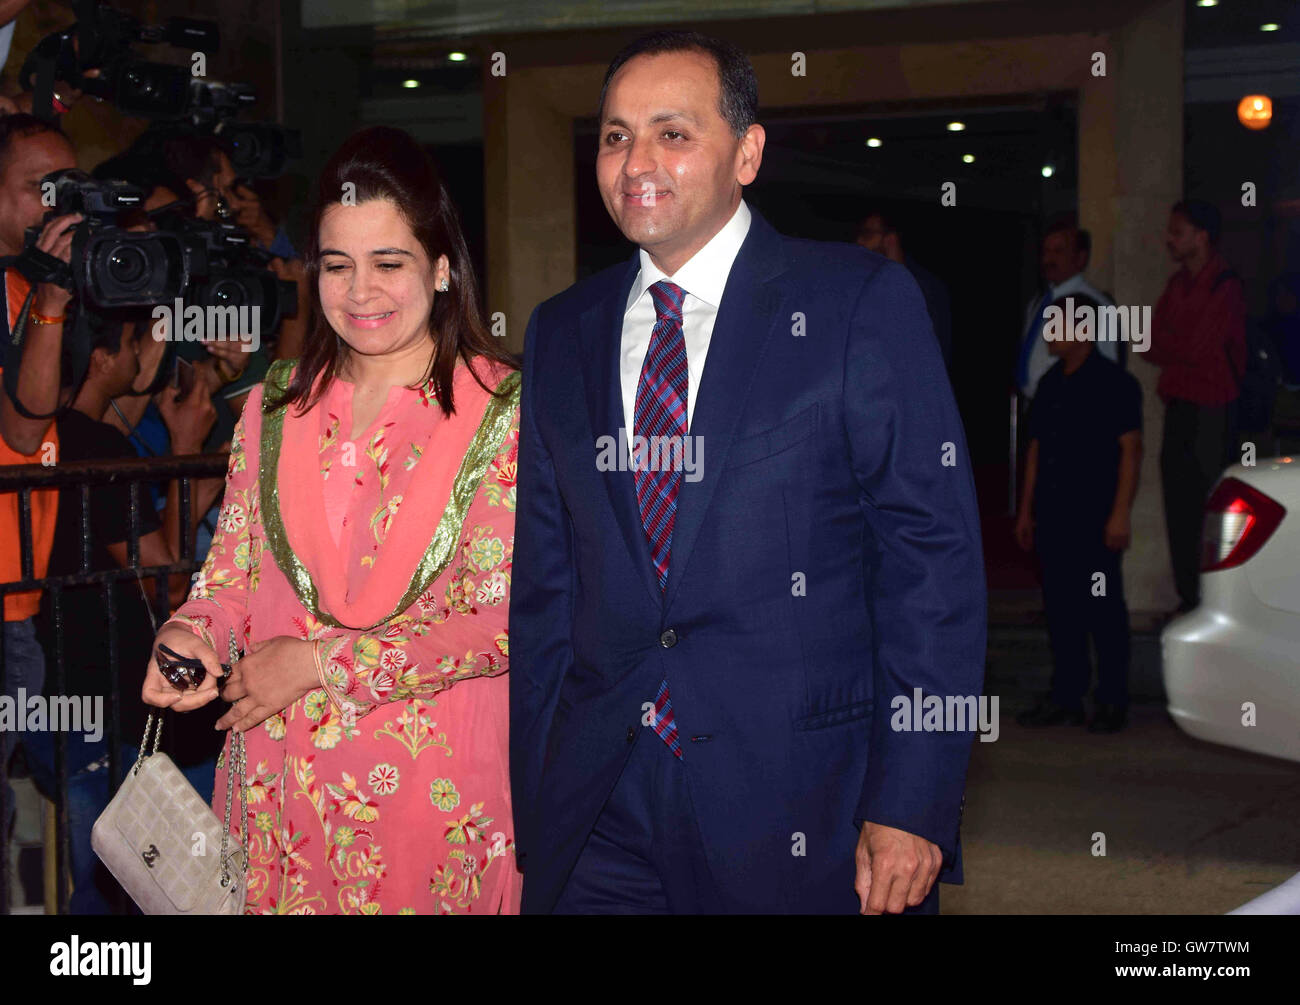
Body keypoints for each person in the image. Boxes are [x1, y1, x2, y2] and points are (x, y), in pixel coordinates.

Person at [511, 30, 986, 915]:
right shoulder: (559, 331)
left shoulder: (855, 304)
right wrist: (537, 799)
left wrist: (914, 799)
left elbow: (934, 562)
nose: (635, 162)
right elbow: (545, 589)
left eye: (672, 133)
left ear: (749, 152)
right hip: (598, 805)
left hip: (802, 802)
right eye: (615, 136)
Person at [141, 126, 522, 915]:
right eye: (338, 266)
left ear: (443, 267)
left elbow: (502, 623)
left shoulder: (504, 411)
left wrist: (319, 664)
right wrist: (192, 634)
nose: (360, 292)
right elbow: (231, 578)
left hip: (432, 797)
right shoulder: (275, 406)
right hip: (278, 786)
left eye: (390, 264)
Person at [25, 312, 221, 913]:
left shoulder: (49, 436)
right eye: (139, 341)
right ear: (103, 359)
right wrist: (186, 449)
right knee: (129, 887)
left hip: (61, 692)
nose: (148, 354)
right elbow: (165, 580)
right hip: (107, 701)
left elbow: (152, 545)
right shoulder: (98, 447)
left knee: (110, 882)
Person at [1014, 295, 1143, 734]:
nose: (1050, 333)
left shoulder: (1116, 385)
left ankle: (1112, 699)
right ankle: (1066, 695)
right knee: (1061, 610)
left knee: (1103, 609)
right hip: (1054, 518)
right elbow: (1035, 450)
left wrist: (1120, 513)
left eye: (1057, 324)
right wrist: (1025, 511)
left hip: (1095, 520)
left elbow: (1131, 450)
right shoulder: (1050, 383)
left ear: (1083, 330)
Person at [0, 113, 78, 832]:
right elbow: (24, 427)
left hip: (19, 595)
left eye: (67, 187)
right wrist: (54, 304)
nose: (57, 206)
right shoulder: (23, 291)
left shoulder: (27, 285)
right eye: (37, 188)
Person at [1147, 200, 1246, 613]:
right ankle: (1191, 598)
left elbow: (1194, 347)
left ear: (1201, 236)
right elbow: (1149, 341)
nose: (1169, 239)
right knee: (1178, 506)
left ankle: (1215, 601)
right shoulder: (1177, 285)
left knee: (1208, 508)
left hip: (1212, 411)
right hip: (1182, 408)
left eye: (1177, 231)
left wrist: (1174, 342)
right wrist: (1176, 344)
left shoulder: (1226, 284)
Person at [1016, 220, 1119, 401]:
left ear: (1080, 258)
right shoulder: (1038, 303)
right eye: (1046, 252)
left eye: (1058, 252)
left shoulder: (1097, 305)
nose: (1048, 260)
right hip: (1036, 408)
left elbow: (1107, 368)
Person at [856, 208, 952, 369]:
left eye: (868, 234)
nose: (859, 242)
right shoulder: (875, 283)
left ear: (890, 239)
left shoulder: (923, 289)